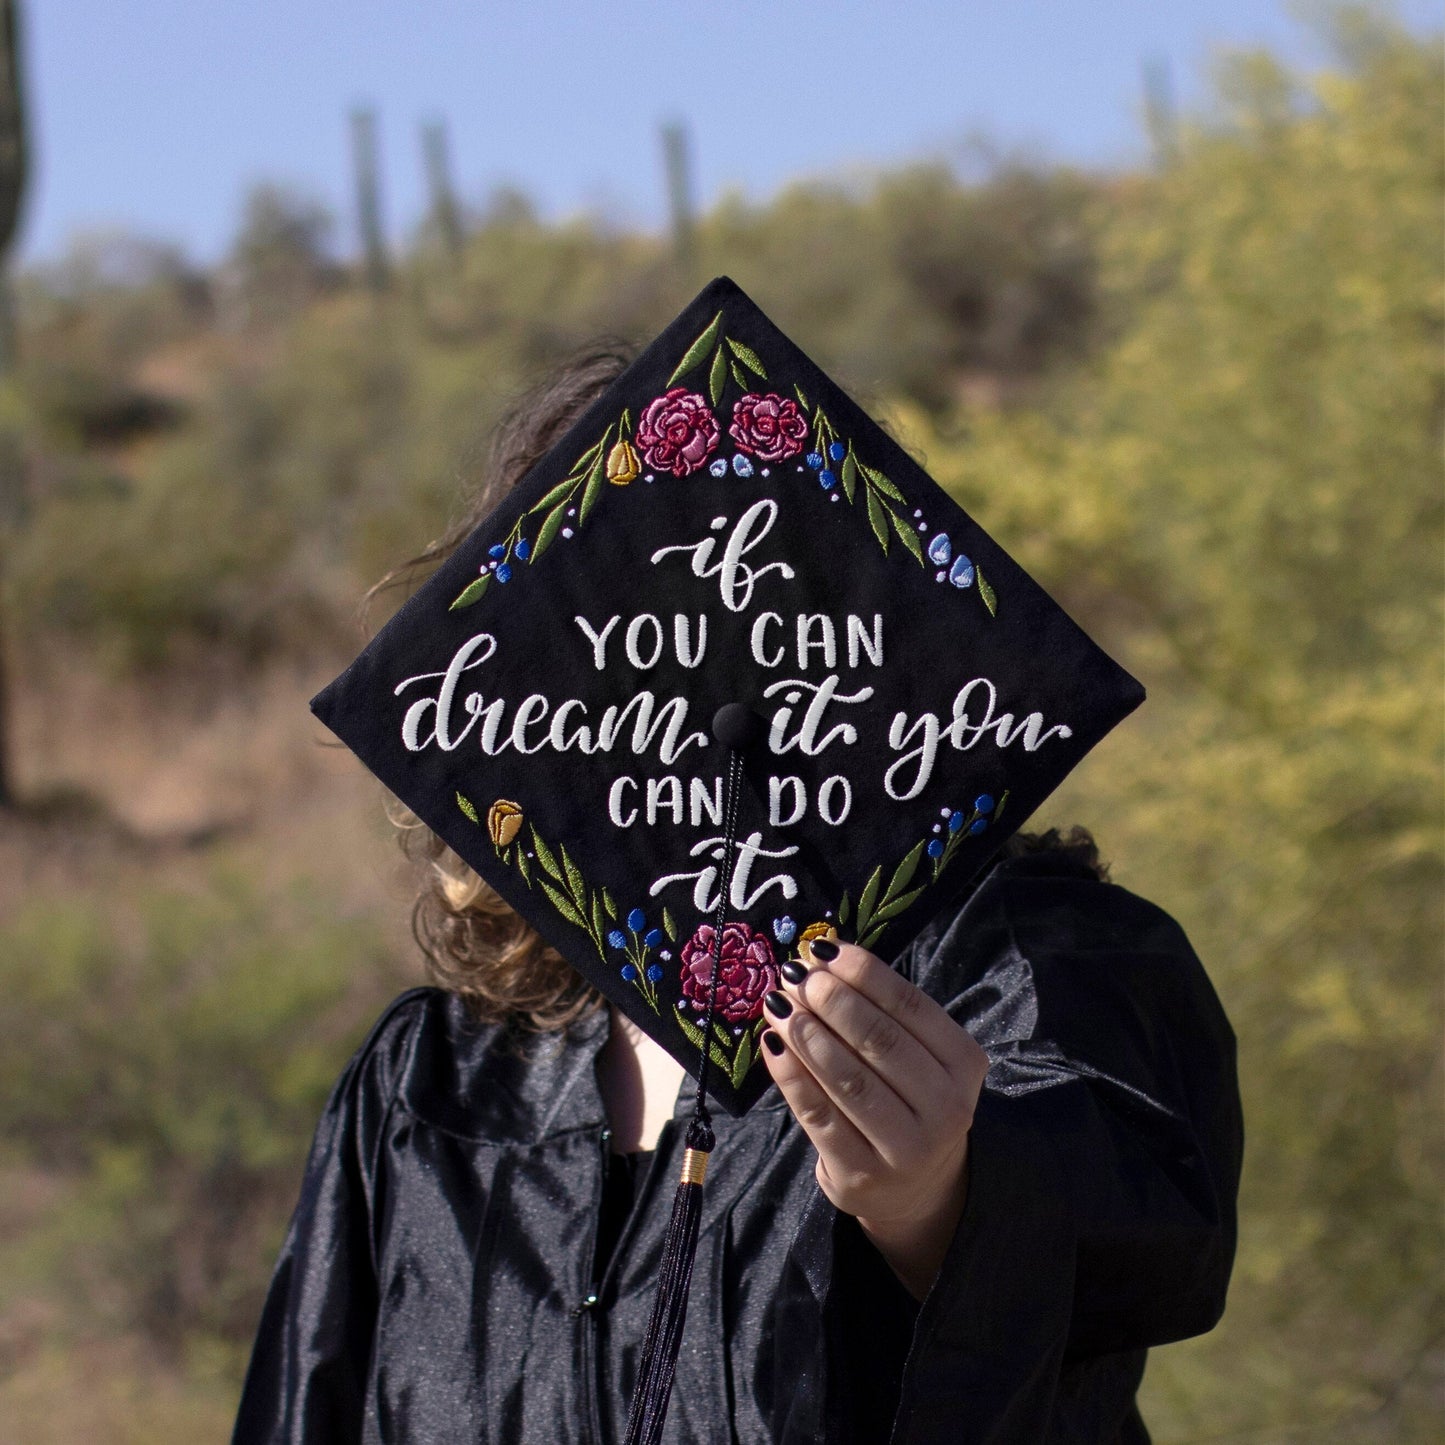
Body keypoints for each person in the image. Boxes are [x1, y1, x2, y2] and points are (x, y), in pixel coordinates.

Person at [231, 352, 1243, 1445]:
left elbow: (1151, 1253)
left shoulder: (1021, 972)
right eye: (621, 618)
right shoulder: (430, 1090)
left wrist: (945, 1196)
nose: (695, 681)